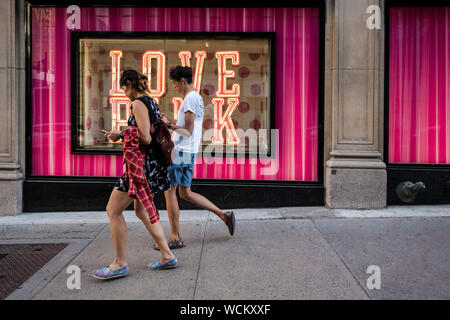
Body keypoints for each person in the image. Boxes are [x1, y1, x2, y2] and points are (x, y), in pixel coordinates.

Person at [93, 70, 178, 280]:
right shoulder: (152, 101)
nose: (123, 92)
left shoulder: (138, 103)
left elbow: (146, 138)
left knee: (113, 210)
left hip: (139, 167)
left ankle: (120, 264)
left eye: (124, 87)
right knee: (141, 211)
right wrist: (125, 132)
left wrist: (120, 134)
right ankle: (167, 255)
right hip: (150, 167)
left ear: (130, 84)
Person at [154, 66, 235, 250]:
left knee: (170, 192)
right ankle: (224, 216)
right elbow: (186, 126)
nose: (174, 87)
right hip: (188, 152)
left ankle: (174, 237)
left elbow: (188, 131)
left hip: (181, 151)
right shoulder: (196, 98)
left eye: (175, 83)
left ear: (182, 80)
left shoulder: (190, 99)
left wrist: (168, 126)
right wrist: (171, 121)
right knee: (185, 193)